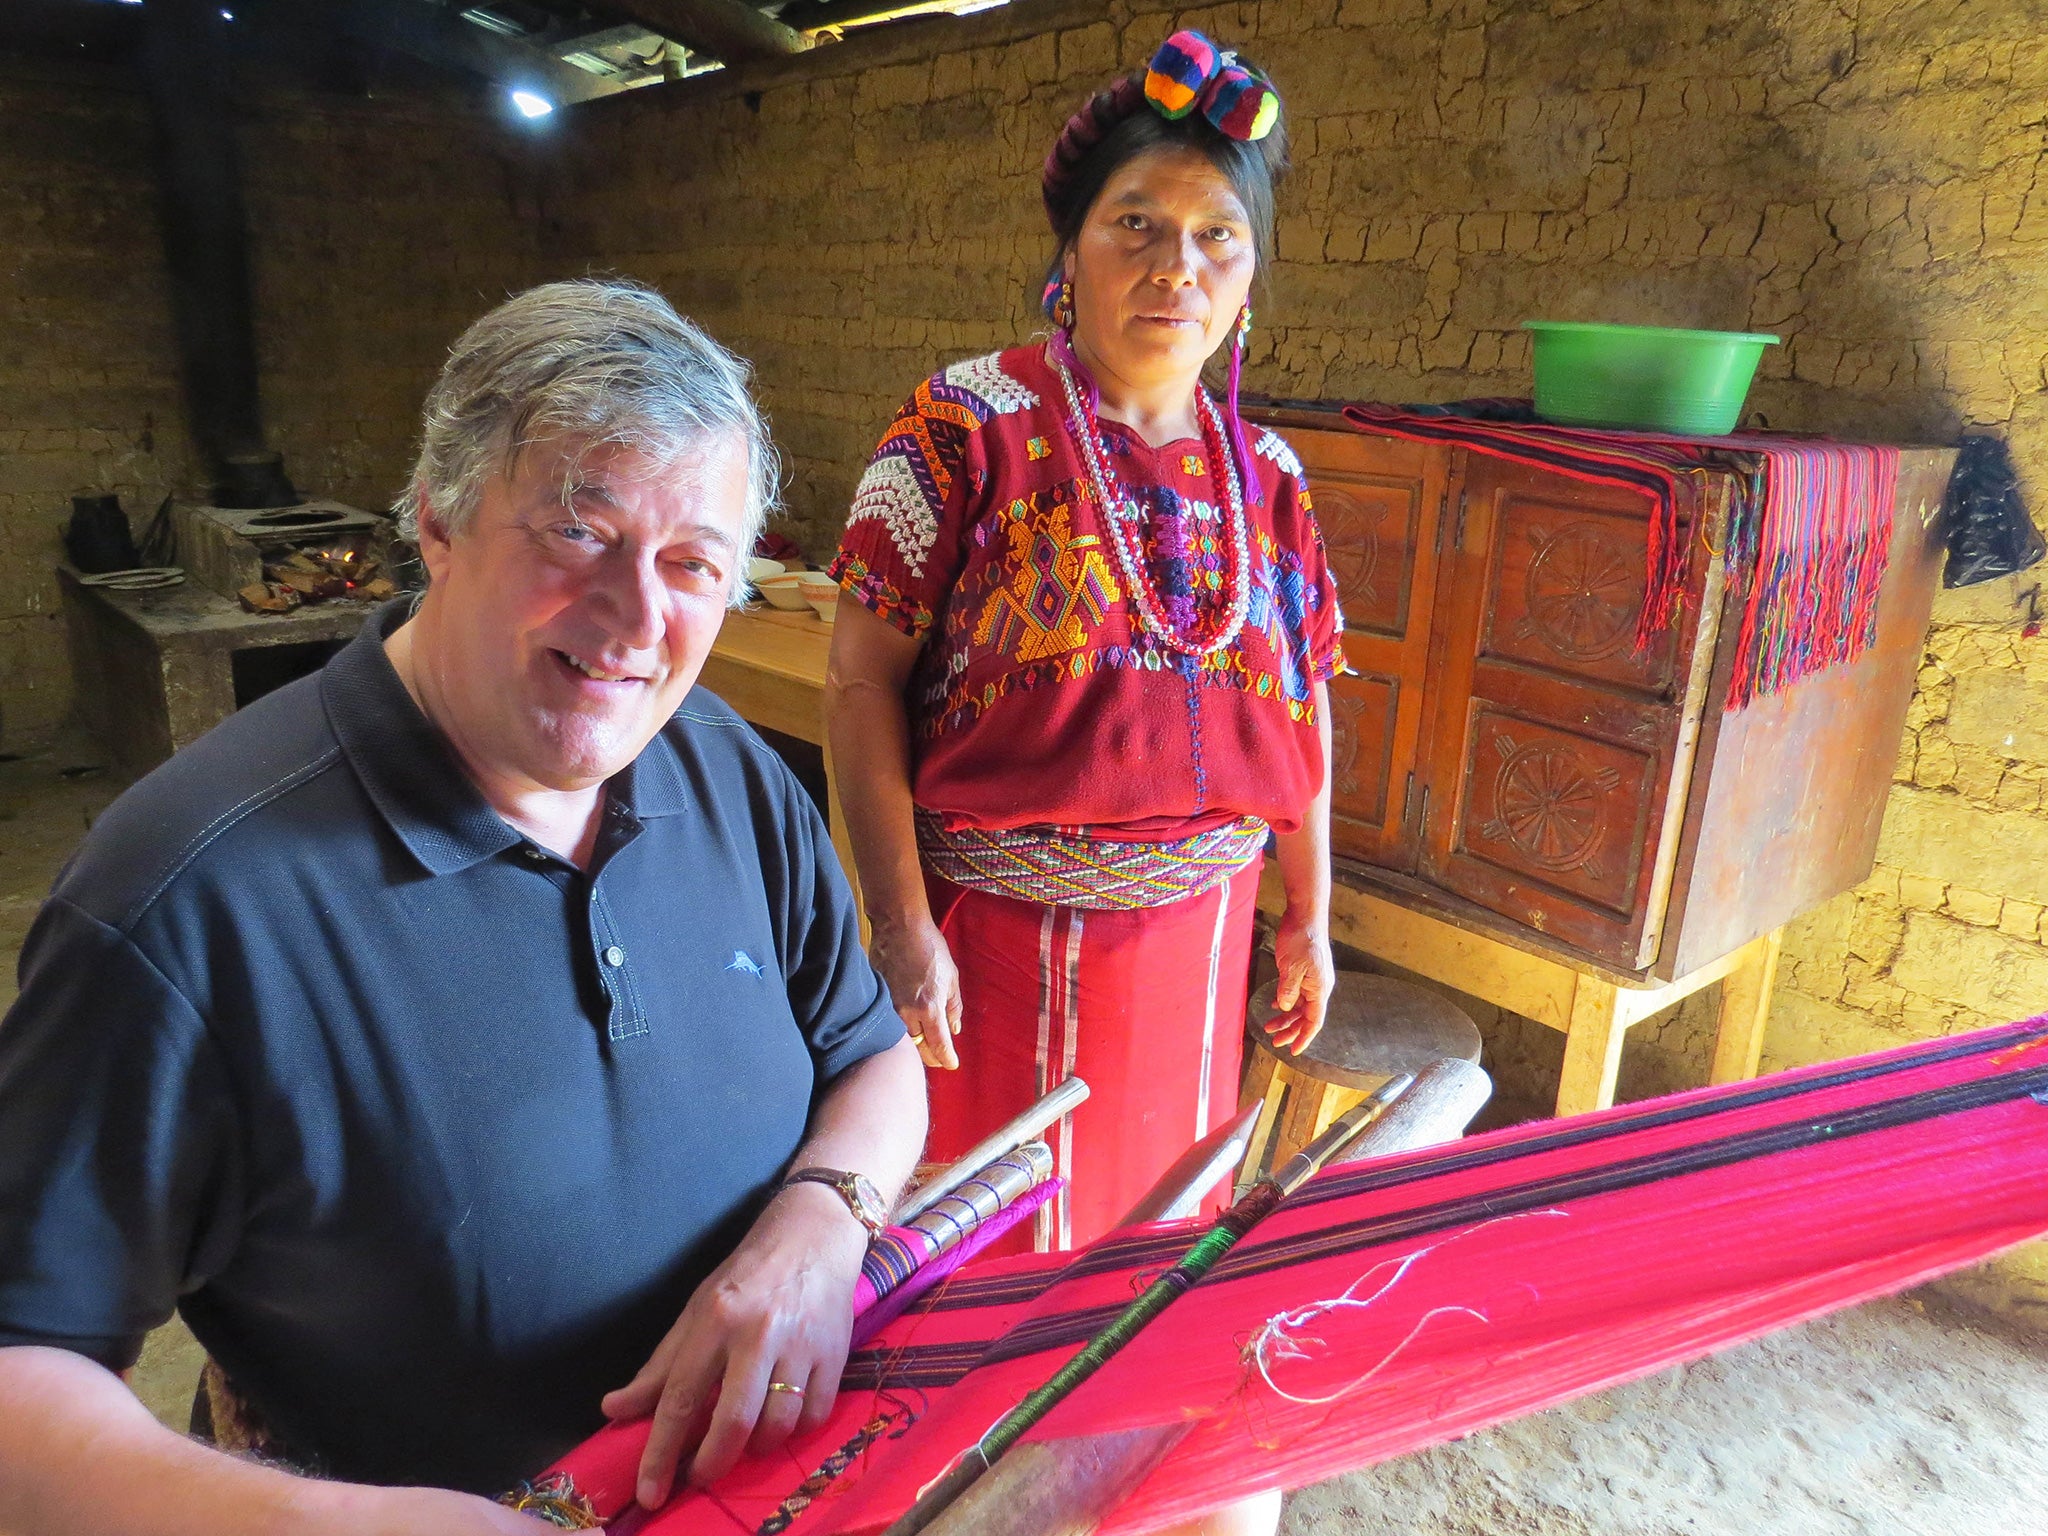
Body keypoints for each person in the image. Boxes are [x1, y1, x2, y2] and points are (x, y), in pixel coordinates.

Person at [0, 279, 926, 1535]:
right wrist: (334, 1527)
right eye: (577, 532)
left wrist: (822, 1221)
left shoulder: (728, 772)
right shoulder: (182, 905)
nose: (637, 618)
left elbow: (872, 1058)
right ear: (436, 519)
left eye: (692, 564)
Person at [825, 31, 1343, 1259]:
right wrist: (896, 928)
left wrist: (1309, 913)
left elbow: (1305, 703)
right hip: (993, 955)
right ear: (1071, 246)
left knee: (1143, 1243)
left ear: (1251, 273)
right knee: (978, 1250)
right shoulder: (960, 425)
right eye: (1135, 224)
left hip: (1201, 947)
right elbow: (857, 686)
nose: (1177, 266)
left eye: (1216, 233)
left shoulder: (1267, 476)